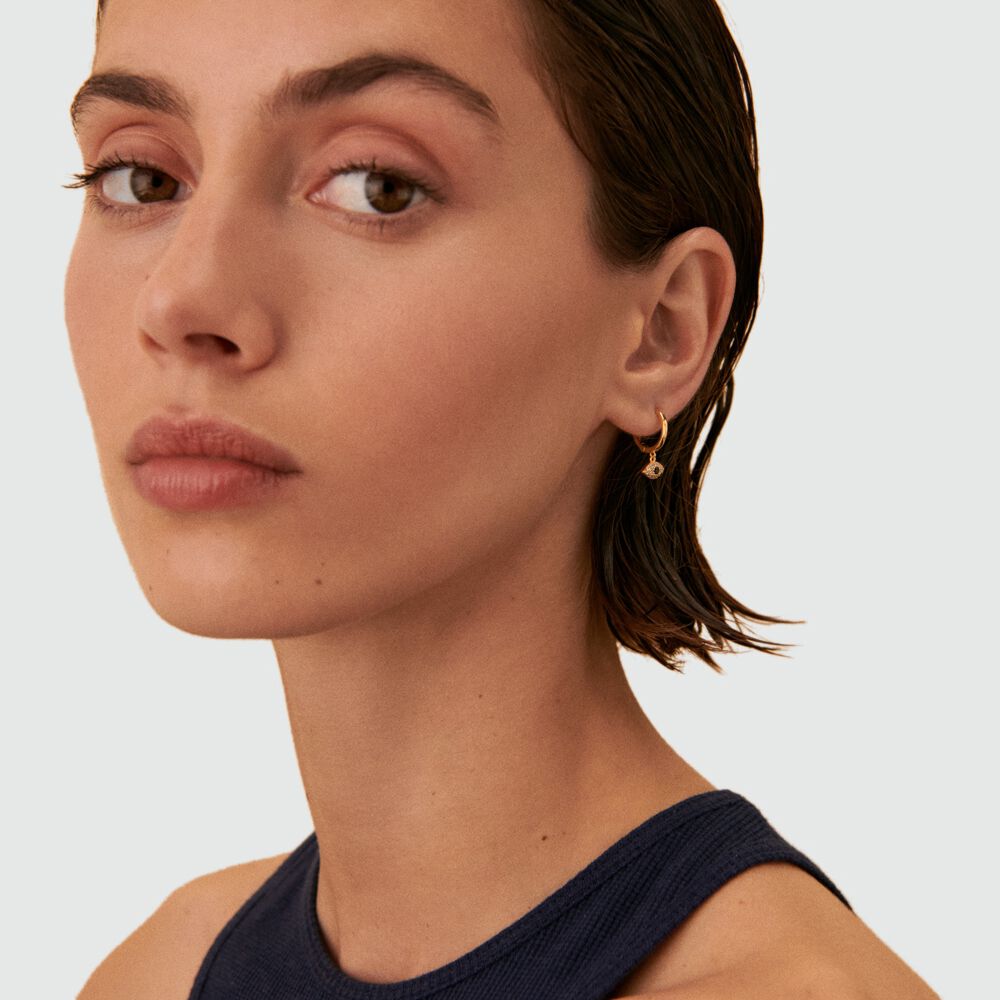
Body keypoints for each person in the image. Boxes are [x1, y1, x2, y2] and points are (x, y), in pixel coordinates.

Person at [67, 0, 938, 997]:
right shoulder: (161, 971)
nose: (180, 300)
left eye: (378, 186)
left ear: (661, 330)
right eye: (142, 178)